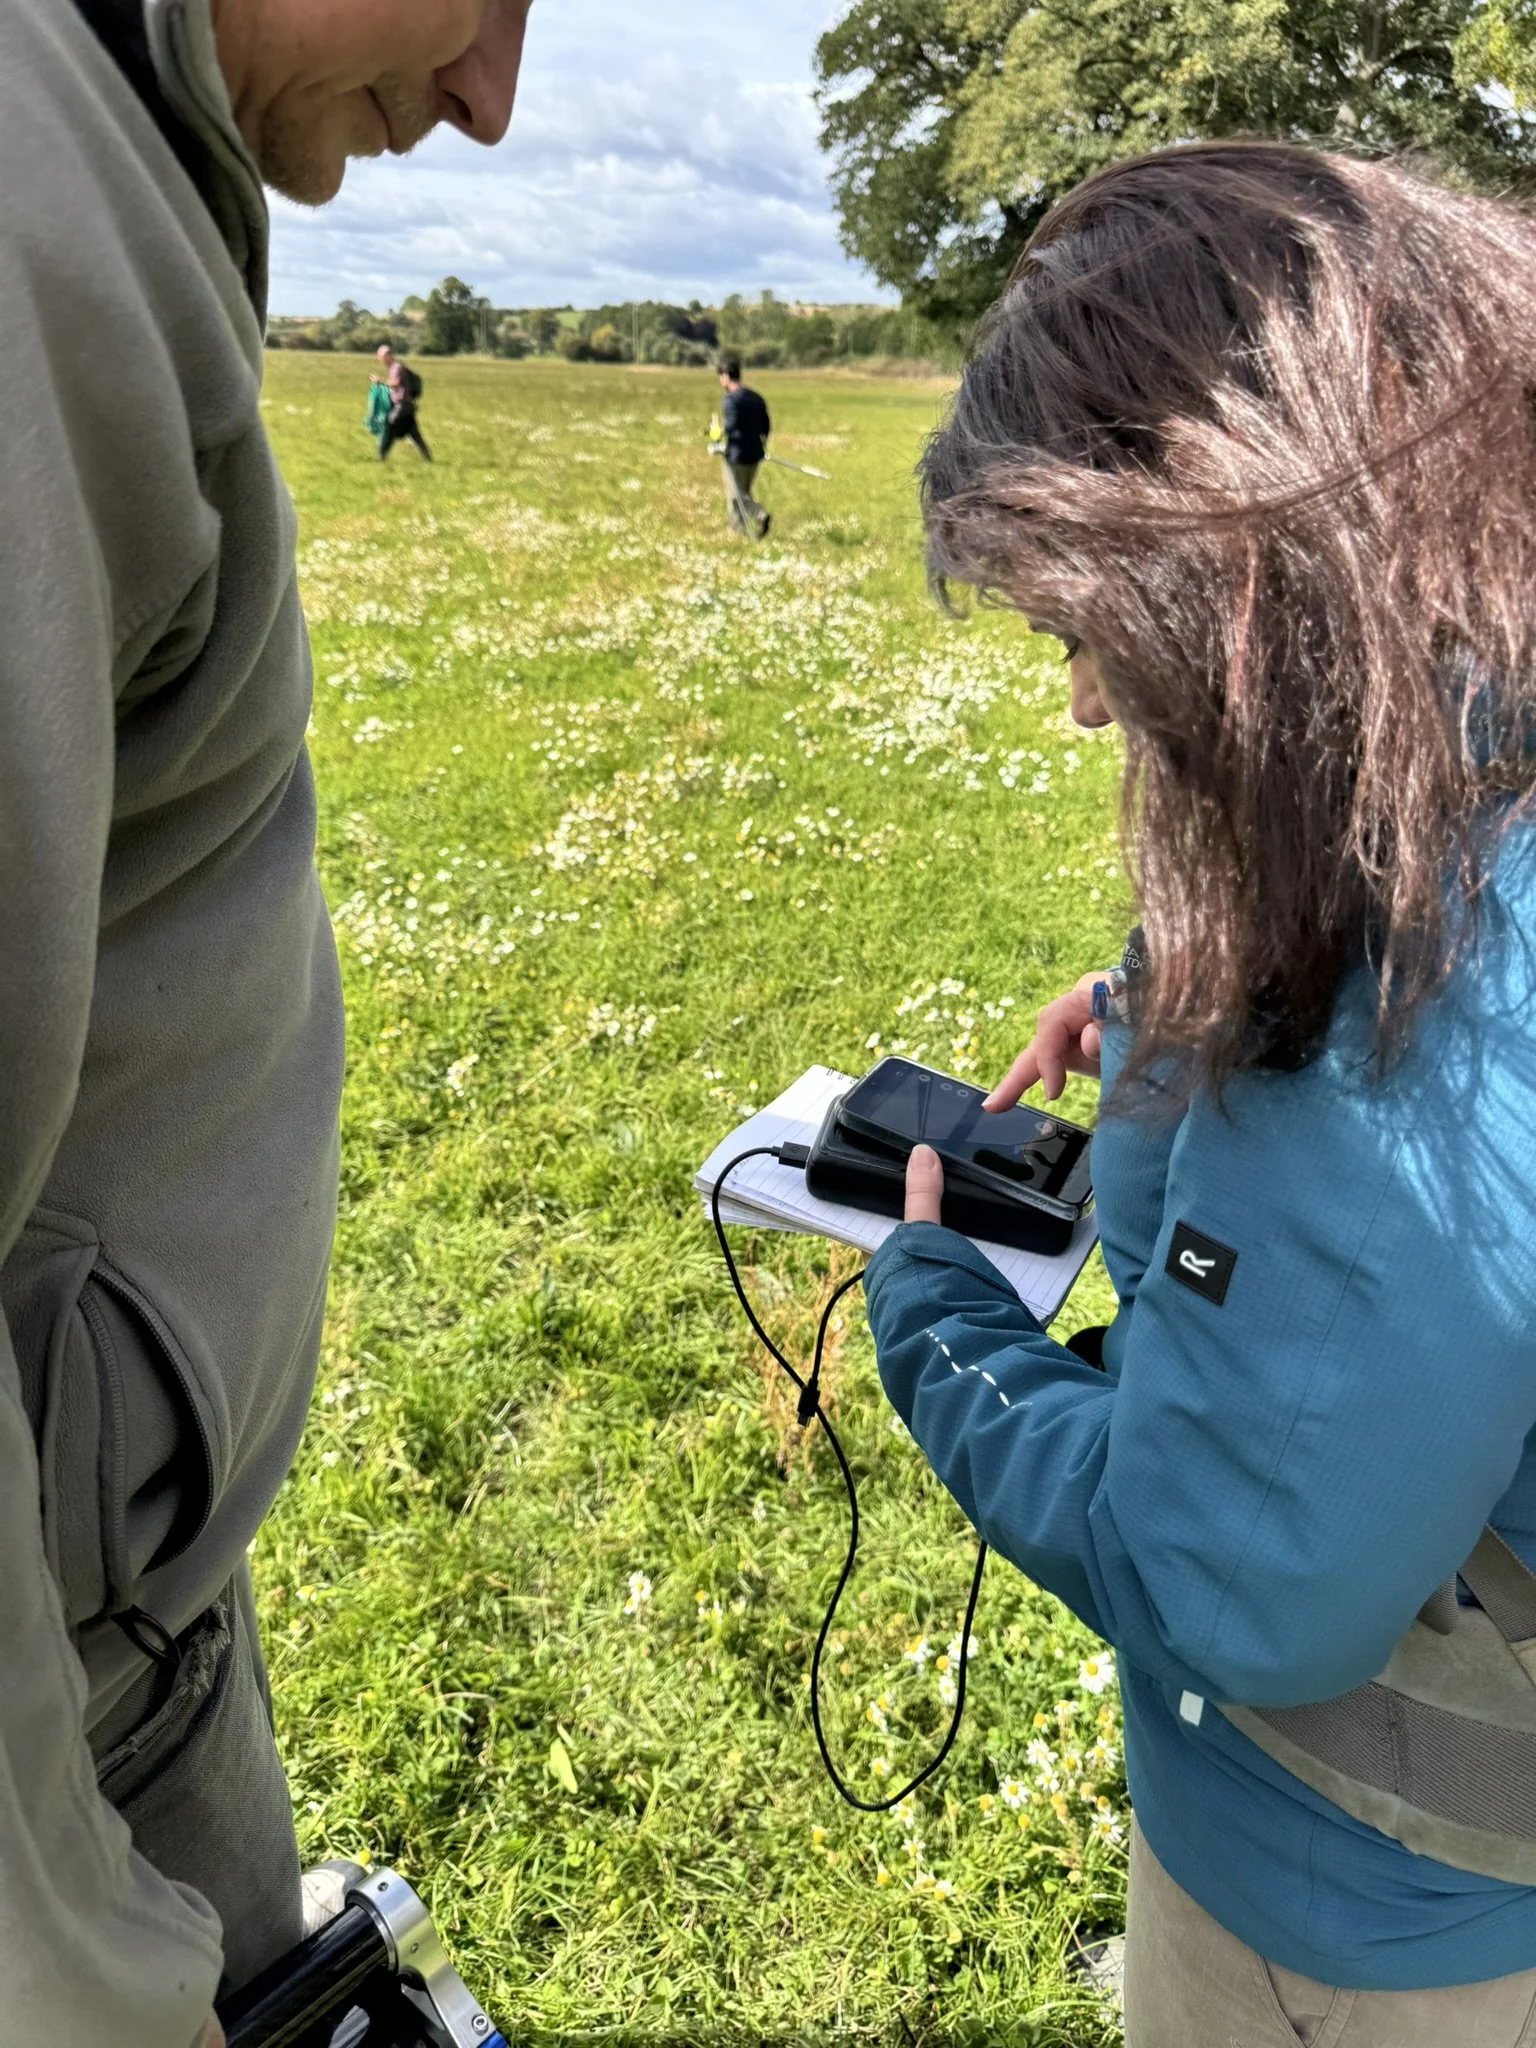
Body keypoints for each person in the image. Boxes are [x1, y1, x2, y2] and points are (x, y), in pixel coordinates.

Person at [866, 142, 1536, 2046]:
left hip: (1366, 1906)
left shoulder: (1443, 994)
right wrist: (1161, 990)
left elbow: (1235, 1577)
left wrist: (940, 1327)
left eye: (1082, 625)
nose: (1084, 700)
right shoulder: (1473, 782)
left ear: (1229, 561)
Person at [0, 1, 530, 2044]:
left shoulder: (128, 133)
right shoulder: (36, 194)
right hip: (66, 1725)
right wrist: (81, 1984)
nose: (496, 98)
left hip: (116, 1611)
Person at [716, 353, 771, 536]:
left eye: (720, 377)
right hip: (755, 455)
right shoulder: (756, 398)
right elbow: (766, 425)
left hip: (736, 456)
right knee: (743, 493)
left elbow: (731, 425)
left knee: (735, 496)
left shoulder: (731, 400)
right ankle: (739, 530)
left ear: (725, 376)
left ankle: (758, 514)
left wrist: (717, 436)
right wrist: (761, 444)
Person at [379, 352, 432, 462]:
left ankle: (382, 457)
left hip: (403, 405)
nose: (381, 361)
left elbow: (396, 383)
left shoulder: (397, 367)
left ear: (388, 356)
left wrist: (380, 381)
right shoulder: (396, 367)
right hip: (407, 406)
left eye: (382, 358)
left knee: (390, 426)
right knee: (413, 433)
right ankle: (427, 457)